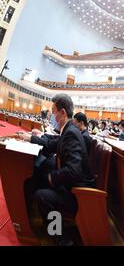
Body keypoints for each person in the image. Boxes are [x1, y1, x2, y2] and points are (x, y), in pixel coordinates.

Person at [20, 94, 95, 245]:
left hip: (78, 192)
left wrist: (51, 178)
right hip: (72, 185)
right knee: (41, 174)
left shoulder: (71, 133)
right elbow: (54, 144)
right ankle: (49, 225)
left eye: (53, 111)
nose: (52, 114)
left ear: (62, 113)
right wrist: (31, 138)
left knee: (42, 194)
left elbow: (74, 171)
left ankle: (61, 237)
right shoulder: (69, 130)